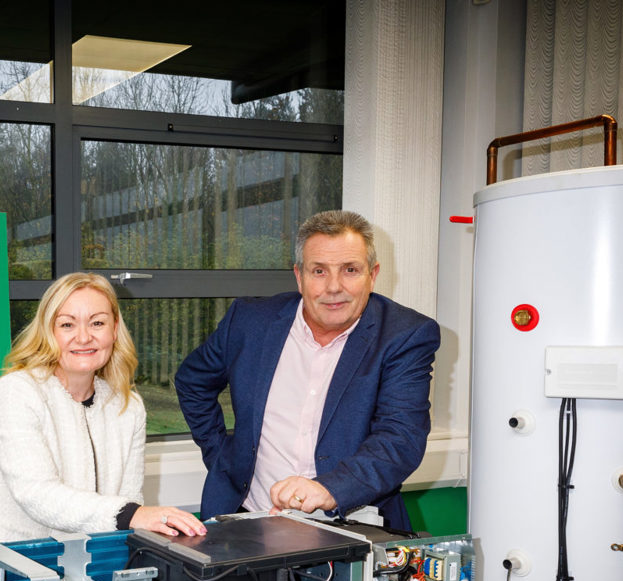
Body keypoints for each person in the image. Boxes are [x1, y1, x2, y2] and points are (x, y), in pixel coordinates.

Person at [175, 210, 440, 528]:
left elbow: (400, 438)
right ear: (299, 276)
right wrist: (220, 454)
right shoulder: (249, 321)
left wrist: (331, 489)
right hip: (248, 518)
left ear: (372, 275)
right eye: (319, 271)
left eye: (350, 270)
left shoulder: (405, 335)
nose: (334, 287)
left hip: (349, 526)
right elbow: (192, 381)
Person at [0, 272, 207, 543]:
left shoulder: (129, 408)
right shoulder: (16, 392)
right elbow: (36, 494)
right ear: (48, 331)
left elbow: (128, 504)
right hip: (12, 563)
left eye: (97, 323)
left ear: (114, 329)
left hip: (92, 564)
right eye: (67, 324)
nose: (84, 337)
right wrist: (133, 514)